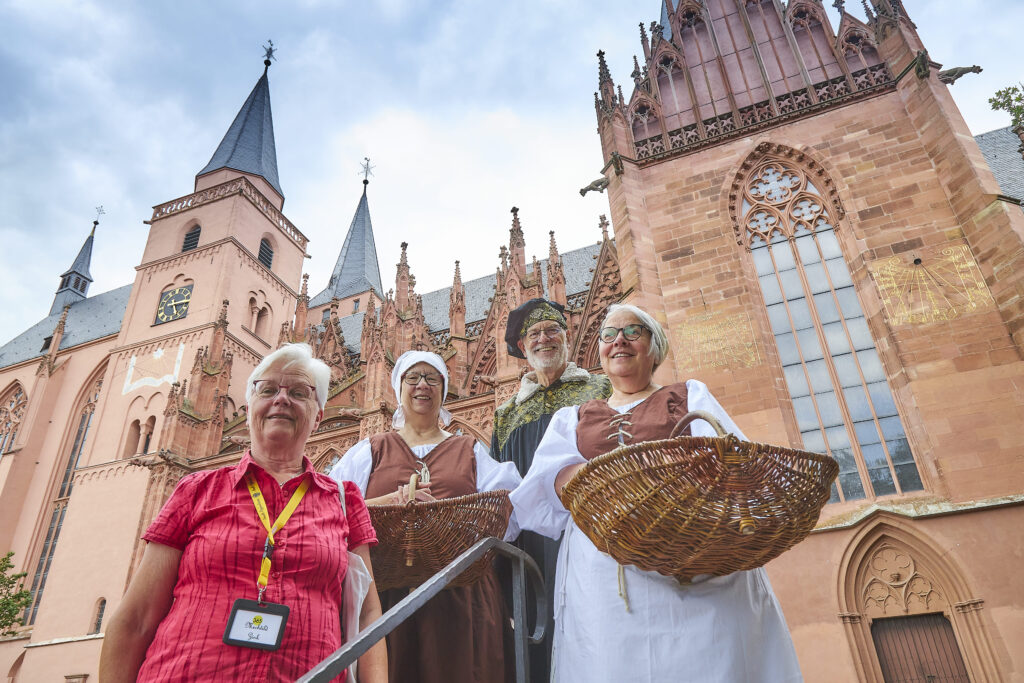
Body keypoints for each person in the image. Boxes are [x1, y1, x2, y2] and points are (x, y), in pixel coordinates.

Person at [510, 304, 803, 682]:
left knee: (708, 657)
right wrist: (605, 476)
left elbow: (735, 464)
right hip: (603, 564)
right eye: (608, 334)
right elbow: (545, 486)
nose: (619, 341)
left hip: (691, 554)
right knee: (613, 661)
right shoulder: (575, 417)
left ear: (654, 345)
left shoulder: (688, 396)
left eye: (633, 331)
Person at [99, 343, 386, 682]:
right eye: (267, 389)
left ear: (319, 414)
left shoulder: (344, 499)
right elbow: (136, 618)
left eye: (299, 392)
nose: (281, 399)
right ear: (248, 406)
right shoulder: (196, 490)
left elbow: (368, 616)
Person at [330, 350, 522, 683]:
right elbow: (333, 510)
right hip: (387, 593)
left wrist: (451, 521)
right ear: (398, 387)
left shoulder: (470, 450)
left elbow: (509, 513)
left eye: (432, 378)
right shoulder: (369, 450)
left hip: (460, 594)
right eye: (413, 377)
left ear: (443, 389)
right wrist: (391, 501)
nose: (423, 385)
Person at [490, 297, 610, 682]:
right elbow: (500, 484)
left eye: (552, 330)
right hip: (530, 543)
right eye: (534, 334)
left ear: (567, 336)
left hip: (590, 528)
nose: (544, 339)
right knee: (536, 637)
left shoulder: (599, 387)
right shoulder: (507, 413)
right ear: (523, 348)